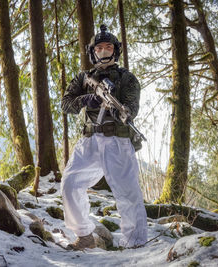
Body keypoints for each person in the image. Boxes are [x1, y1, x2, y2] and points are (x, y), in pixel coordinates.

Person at [61, 25, 147, 250]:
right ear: (93, 52)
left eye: (108, 47)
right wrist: (86, 100)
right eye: (99, 48)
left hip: (117, 140)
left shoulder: (127, 78)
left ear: (115, 50)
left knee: (128, 193)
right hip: (89, 141)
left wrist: (119, 110)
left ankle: (134, 244)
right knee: (70, 184)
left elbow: (131, 107)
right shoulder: (83, 78)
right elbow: (66, 104)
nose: (104, 51)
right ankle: (84, 235)